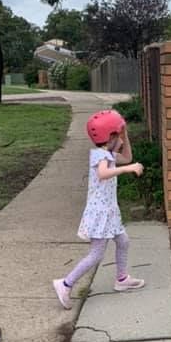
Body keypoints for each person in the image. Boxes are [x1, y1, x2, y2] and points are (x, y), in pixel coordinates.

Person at [53, 109, 145, 310]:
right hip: (99, 213)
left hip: (109, 211)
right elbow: (104, 173)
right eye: (117, 133)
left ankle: (121, 278)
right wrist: (127, 170)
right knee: (96, 254)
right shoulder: (99, 155)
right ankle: (65, 283)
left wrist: (125, 136)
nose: (120, 137)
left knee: (123, 241)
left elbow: (127, 157)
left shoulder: (109, 153)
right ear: (109, 136)